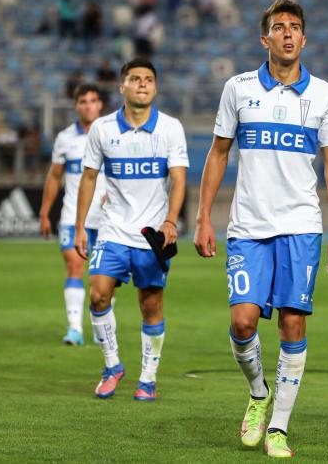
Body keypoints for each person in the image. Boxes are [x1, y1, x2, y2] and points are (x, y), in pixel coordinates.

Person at [193, 0, 328, 458]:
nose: (286, 34)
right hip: (248, 225)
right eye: (278, 27)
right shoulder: (238, 89)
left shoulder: (325, 95)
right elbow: (218, 154)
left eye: (294, 27)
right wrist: (204, 217)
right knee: (242, 321)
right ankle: (259, 394)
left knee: (292, 322)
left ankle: (279, 427)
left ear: (303, 39)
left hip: (301, 224)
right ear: (265, 39)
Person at [75, 59, 188, 401]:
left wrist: (170, 220)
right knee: (97, 294)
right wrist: (81, 226)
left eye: (148, 79)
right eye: (135, 79)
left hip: (151, 235)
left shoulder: (170, 128)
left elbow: (179, 179)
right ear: (122, 87)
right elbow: (89, 178)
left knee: (150, 304)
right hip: (112, 230)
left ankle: (148, 378)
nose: (142, 84)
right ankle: (112, 366)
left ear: (155, 88)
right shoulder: (102, 129)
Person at [39, 84, 106, 346]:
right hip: (72, 216)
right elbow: (55, 176)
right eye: (82, 101)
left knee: (102, 280)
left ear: (100, 104)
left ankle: (102, 328)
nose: (88, 105)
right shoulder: (65, 138)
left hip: (107, 218)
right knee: (75, 265)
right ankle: (75, 328)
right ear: (76, 106)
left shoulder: (112, 133)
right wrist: (44, 212)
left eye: (92, 101)